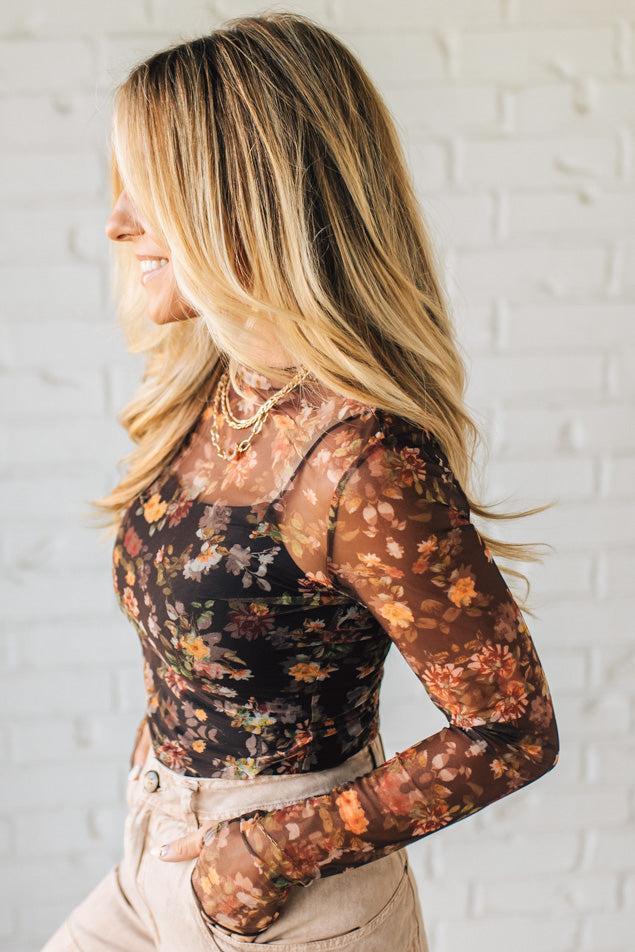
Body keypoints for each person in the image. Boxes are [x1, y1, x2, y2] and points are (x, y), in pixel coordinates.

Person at [41, 11, 559, 952]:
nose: (117, 221)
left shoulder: (365, 463)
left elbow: (510, 727)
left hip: (282, 906)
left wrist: (271, 855)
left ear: (249, 200)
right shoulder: (213, 389)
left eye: (149, 190)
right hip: (156, 852)